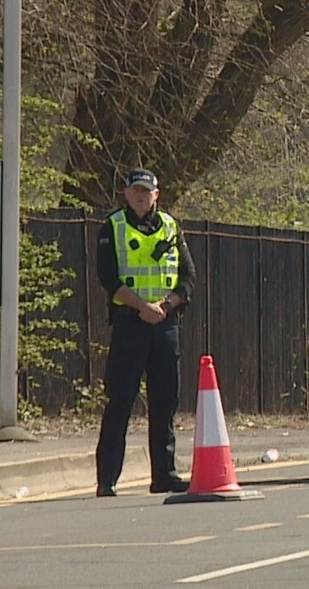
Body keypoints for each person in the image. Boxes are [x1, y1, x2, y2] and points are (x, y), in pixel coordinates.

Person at [95, 169, 194, 497]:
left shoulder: (170, 226)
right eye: (135, 190)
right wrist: (142, 307)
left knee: (165, 401)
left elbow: (188, 278)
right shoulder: (113, 227)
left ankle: (163, 474)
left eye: (146, 191)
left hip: (164, 324)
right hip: (129, 323)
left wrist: (166, 306)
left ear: (156, 194)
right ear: (125, 193)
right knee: (120, 400)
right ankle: (107, 479)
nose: (141, 195)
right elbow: (109, 278)